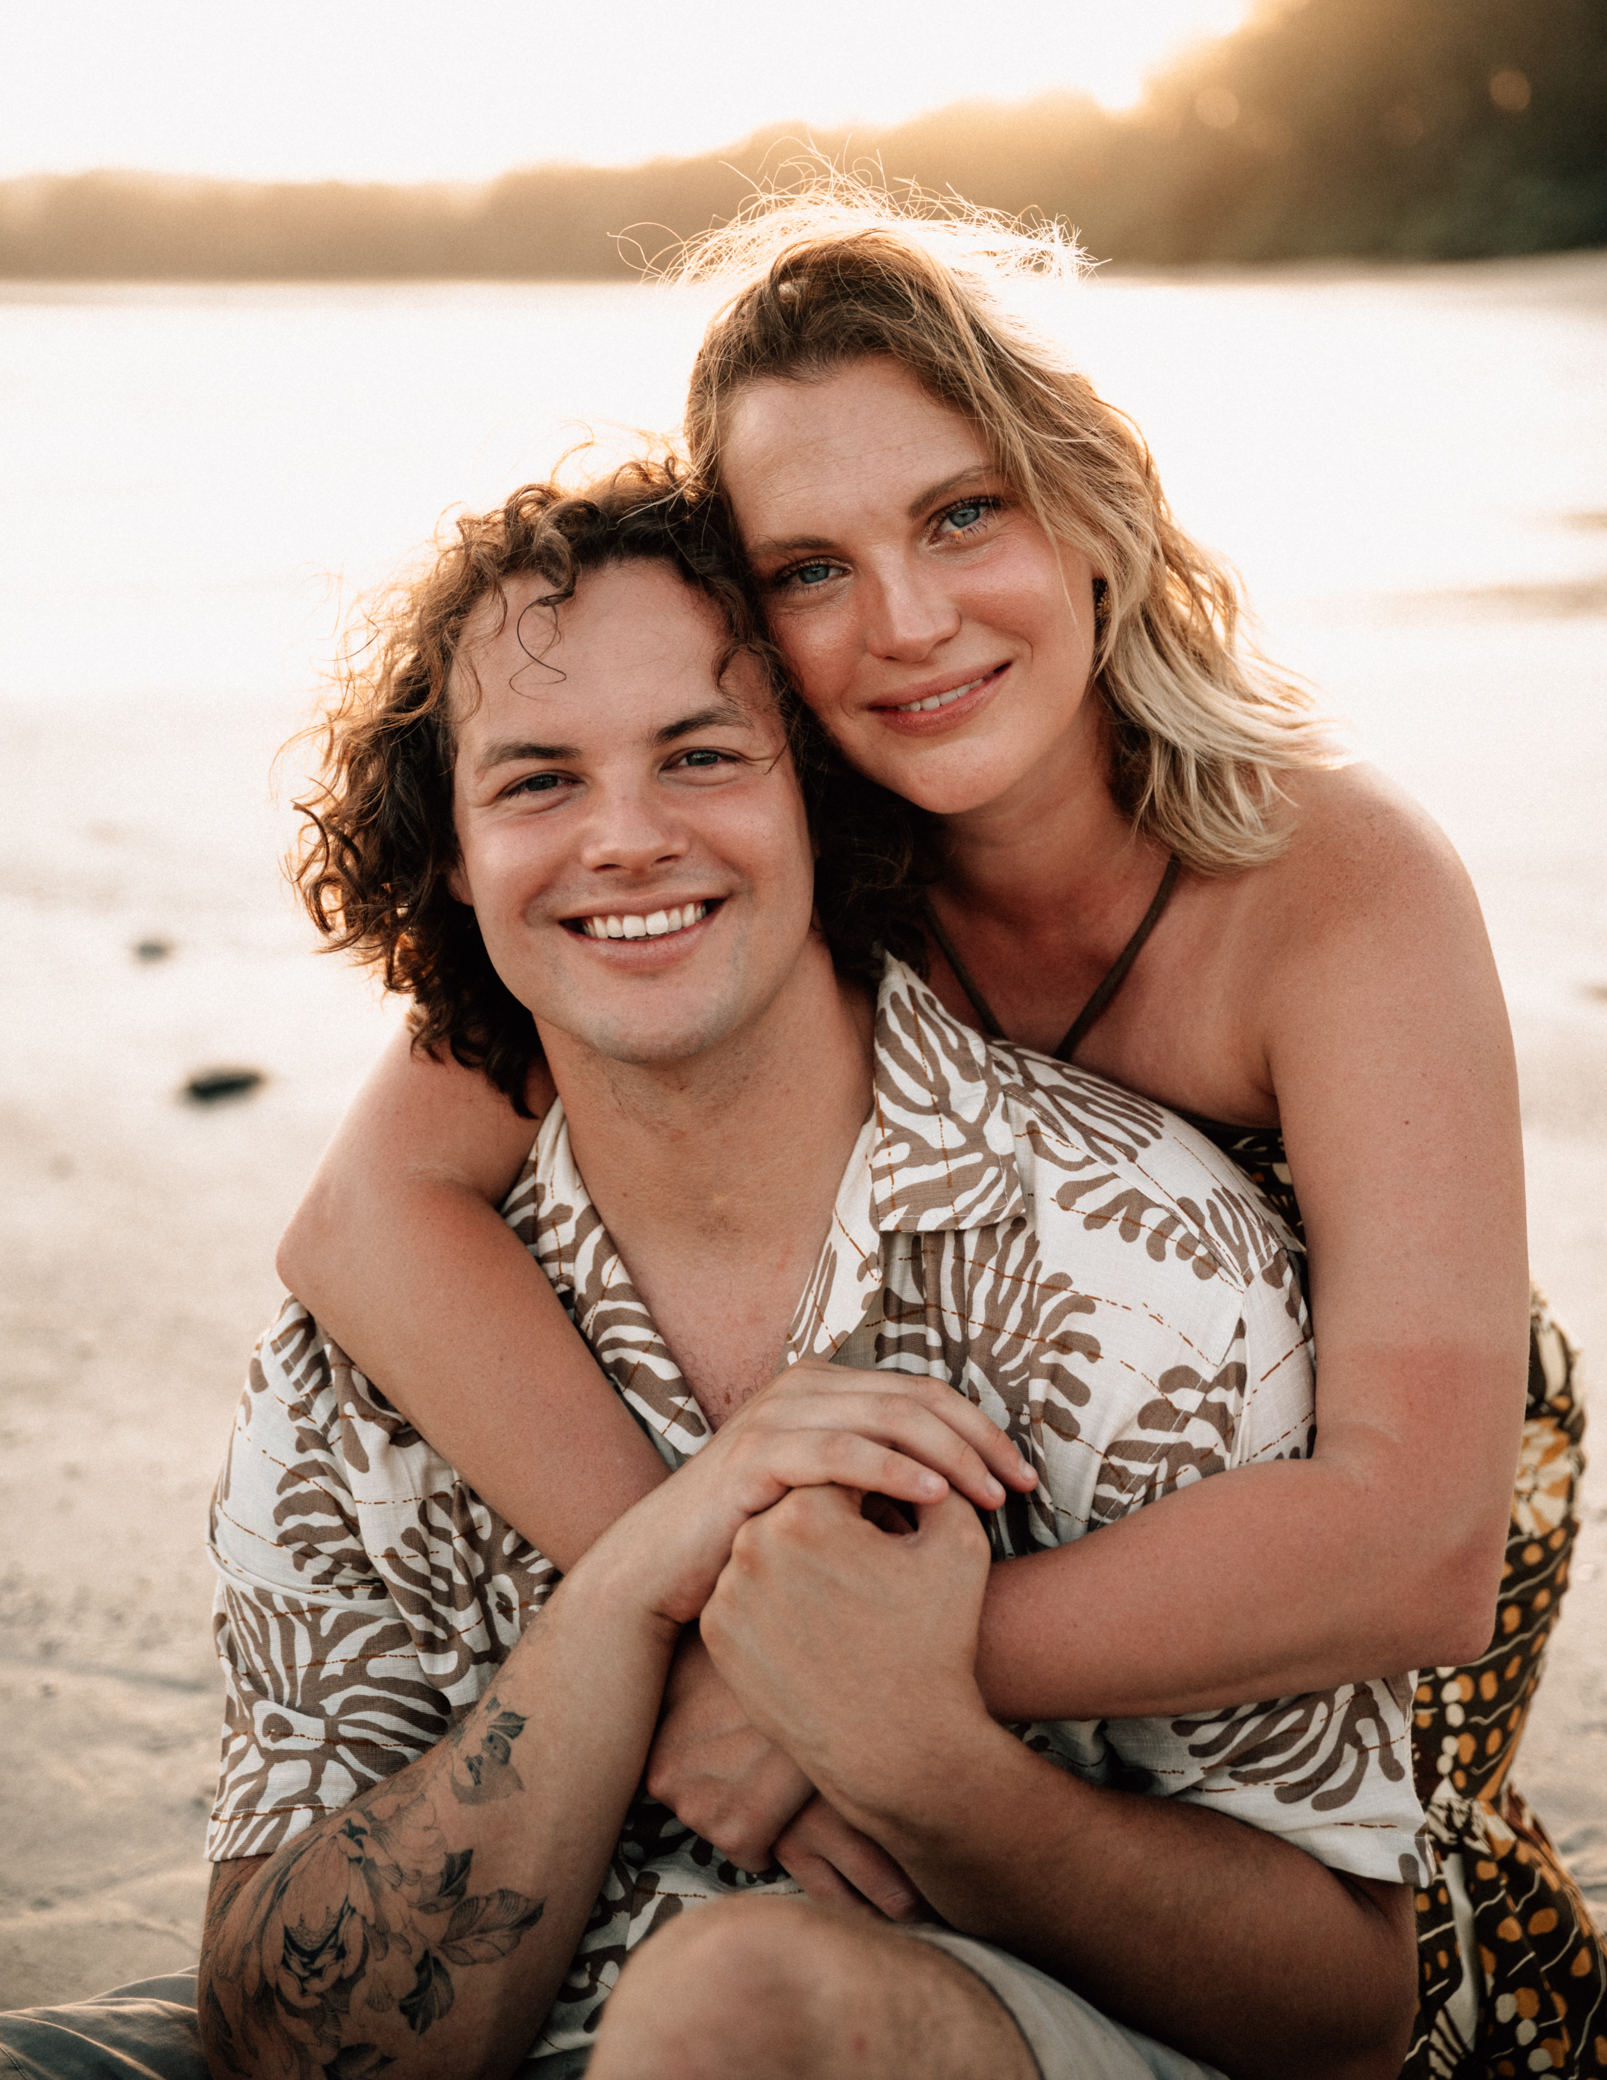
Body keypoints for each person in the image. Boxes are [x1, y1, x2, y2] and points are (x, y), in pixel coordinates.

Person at [273, 191, 1604, 2071]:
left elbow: (1415, 1538)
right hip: (966, 1580)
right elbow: (371, 1212)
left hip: (1360, 1571)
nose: (905, 620)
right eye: (808, 568)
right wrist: (703, 1615)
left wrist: (867, 1685)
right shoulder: (775, 872)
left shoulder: (1329, 882)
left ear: (1092, 515)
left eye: (961, 512)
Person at [187, 468, 1426, 2080]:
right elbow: (273, 2032)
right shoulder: (365, 1347)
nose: (626, 840)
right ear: (455, 859)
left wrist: (912, 1755)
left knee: (737, 2006)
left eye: (700, 756)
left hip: (982, 2033)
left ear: (823, 804)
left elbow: (1341, 2009)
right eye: (538, 782)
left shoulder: (1142, 1270)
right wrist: (641, 1593)